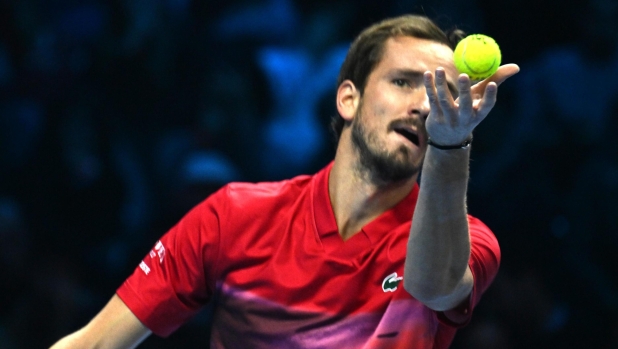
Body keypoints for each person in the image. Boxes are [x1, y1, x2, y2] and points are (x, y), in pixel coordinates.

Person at [49, 14, 519, 349]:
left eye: (440, 91)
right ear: (348, 99)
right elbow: (95, 344)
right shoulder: (235, 216)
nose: (424, 105)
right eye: (403, 82)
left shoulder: (470, 241)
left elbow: (435, 287)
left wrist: (451, 146)